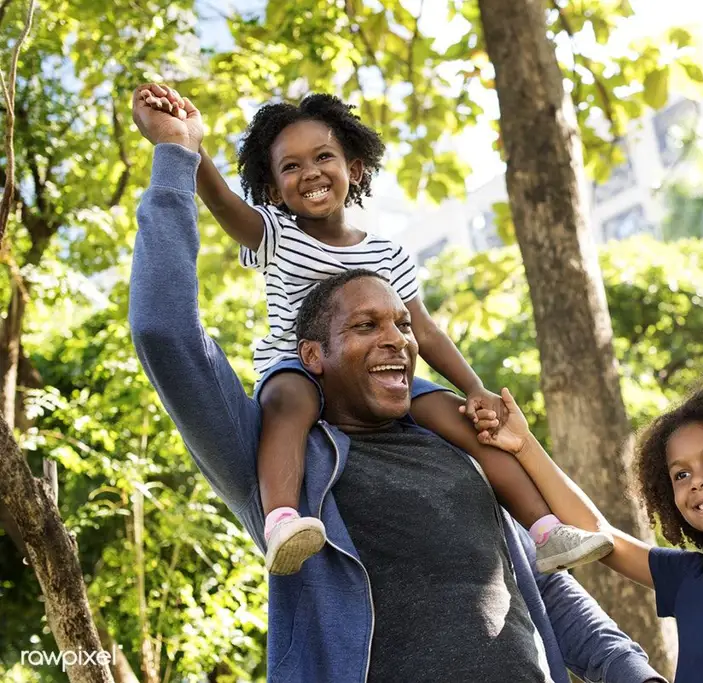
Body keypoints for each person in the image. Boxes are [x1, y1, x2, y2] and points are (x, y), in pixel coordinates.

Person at [128, 84, 666, 683]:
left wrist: (630, 671)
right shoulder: (284, 456)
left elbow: (543, 592)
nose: (397, 339)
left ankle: (549, 523)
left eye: (400, 325)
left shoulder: (455, 452)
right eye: (364, 325)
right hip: (290, 415)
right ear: (317, 354)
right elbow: (164, 331)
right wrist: (180, 152)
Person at [468, 371, 703, 683]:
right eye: (680, 474)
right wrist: (525, 447)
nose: (697, 481)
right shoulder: (686, 576)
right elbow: (596, 530)